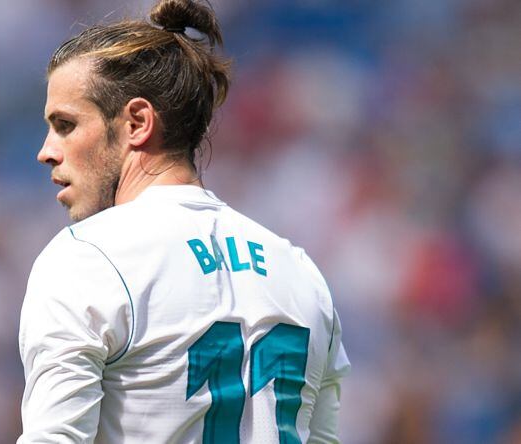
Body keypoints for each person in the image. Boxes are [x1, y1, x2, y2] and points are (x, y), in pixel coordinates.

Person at [18, 0, 350, 442]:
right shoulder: (302, 274)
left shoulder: (86, 258)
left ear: (137, 122)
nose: (46, 150)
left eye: (65, 124)